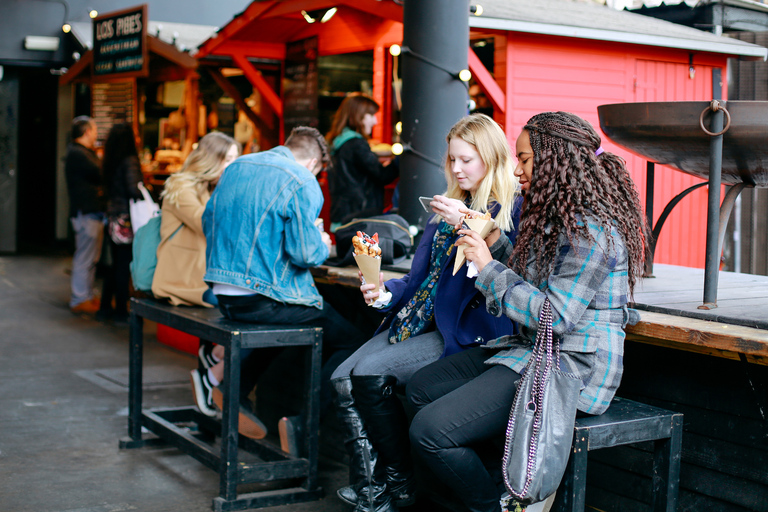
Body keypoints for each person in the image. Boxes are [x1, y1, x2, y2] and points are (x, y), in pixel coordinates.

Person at [406, 111, 649, 512]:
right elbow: (530, 284)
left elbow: (554, 317)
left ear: (556, 161)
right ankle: (488, 484)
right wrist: (497, 243)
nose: (516, 169)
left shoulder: (591, 231)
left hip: (571, 368)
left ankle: (492, 505)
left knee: (430, 433)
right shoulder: (554, 218)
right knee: (420, 389)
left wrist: (486, 267)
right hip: (531, 351)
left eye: (525, 159)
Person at [330, 113, 522, 512]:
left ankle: (393, 487)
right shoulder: (447, 209)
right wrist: (383, 292)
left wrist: (467, 221)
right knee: (340, 377)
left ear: (492, 157)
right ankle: (377, 485)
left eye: (466, 159)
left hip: (467, 334)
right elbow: (419, 282)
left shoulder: (510, 211)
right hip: (418, 320)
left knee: (365, 374)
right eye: (452, 159)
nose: (456, 168)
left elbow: (513, 268)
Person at [200, 126, 367, 441]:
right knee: (352, 342)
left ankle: (232, 391)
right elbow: (305, 254)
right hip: (262, 298)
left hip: (224, 294)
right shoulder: (302, 180)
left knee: (282, 329)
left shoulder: (238, 167)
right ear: (314, 164)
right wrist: (321, 240)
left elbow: (208, 220)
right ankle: (303, 426)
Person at [149, 132, 240, 418]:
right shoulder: (180, 185)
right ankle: (213, 372)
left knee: (251, 301)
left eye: (237, 159)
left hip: (207, 275)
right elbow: (206, 223)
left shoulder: (215, 186)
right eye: (230, 159)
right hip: (182, 278)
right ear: (212, 159)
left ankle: (214, 358)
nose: (235, 165)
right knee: (238, 306)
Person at [326, 93, 399, 228]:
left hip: (342, 215)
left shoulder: (338, 141)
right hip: (360, 217)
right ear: (358, 115)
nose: (375, 121)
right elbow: (382, 175)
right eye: (371, 115)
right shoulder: (356, 144)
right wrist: (400, 159)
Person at [96, 123, 143, 324]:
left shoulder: (109, 160)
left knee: (115, 264)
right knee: (123, 266)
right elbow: (134, 189)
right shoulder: (130, 160)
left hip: (113, 216)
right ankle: (121, 311)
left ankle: (105, 306)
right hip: (126, 219)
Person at [65, 116, 104, 314]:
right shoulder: (78, 154)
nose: (97, 134)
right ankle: (79, 299)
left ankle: (86, 296)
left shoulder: (81, 152)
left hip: (91, 212)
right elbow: (100, 172)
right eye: (95, 130)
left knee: (91, 258)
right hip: (85, 212)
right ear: (87, 132)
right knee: (84, 257)